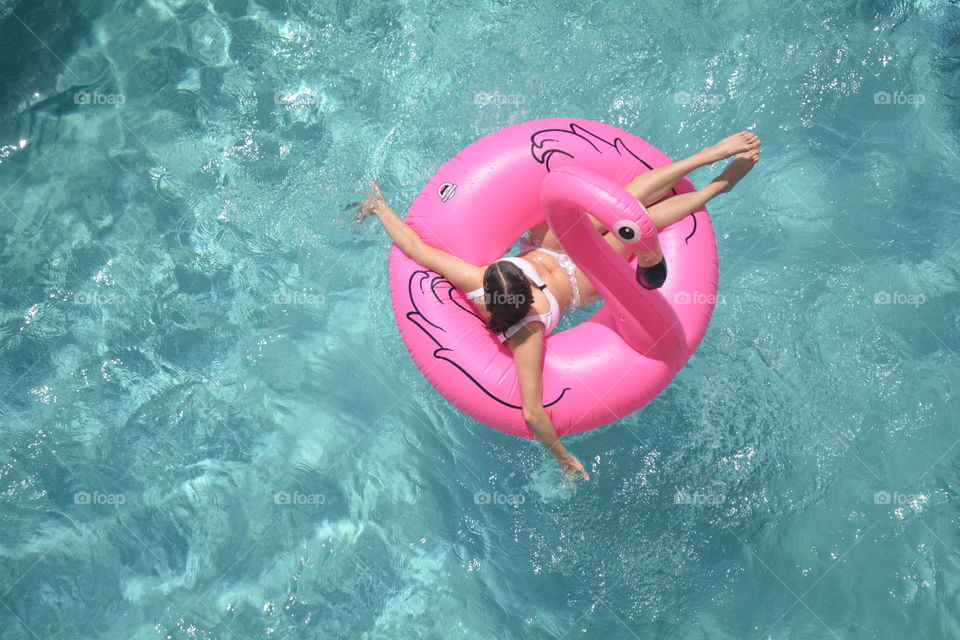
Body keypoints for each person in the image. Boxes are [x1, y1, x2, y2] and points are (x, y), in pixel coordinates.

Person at [356, 131, 761, 481]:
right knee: (635, 223)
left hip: (552, 247)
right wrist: (563, 459)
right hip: (579, 279)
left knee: (617, 203)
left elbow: (415, 247)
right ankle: (717, 186)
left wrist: (380, 208)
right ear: (524, 295)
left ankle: (710, 155)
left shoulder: (479, 280)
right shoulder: (526, 335)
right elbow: (532, 413)